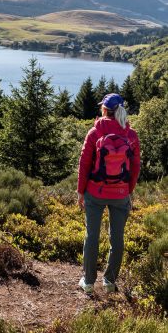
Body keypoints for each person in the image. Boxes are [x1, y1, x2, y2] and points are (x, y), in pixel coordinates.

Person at [77, 93, 140, 294]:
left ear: (104, 110)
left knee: (92, 236)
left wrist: (80, 191)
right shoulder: (131, 135)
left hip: (95, 192)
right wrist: (127, 191)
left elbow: (84, 164)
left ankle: (88, 282)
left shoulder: (94, 133)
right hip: (120, 194)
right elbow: (135, 167)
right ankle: (109, 282)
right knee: (117, 239)